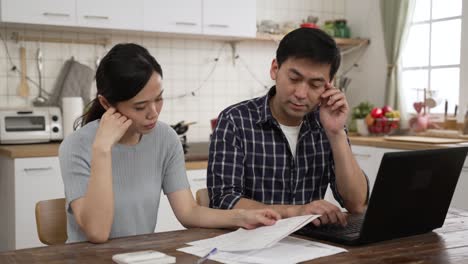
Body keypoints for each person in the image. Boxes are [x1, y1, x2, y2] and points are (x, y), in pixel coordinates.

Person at [59, 43, 280, 244]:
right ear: (107, 103)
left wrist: (242, 217)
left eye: (159, 98)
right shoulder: (77, 146)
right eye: (140, 106)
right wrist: (102, 150)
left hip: (141, 257)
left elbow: (189, 212)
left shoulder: (164, 138)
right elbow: (97, 233)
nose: (153, 113)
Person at [207, 27, 368, 227]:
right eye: (294, 79)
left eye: (315, 84)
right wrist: (295, 212)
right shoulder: (235, 121)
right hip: (248, 245)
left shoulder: (327, 123)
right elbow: (223, 201)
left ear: (329, 84)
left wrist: (336, 134)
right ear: (275, 69)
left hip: (313, 244)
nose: (301, 93)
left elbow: (357, 204)